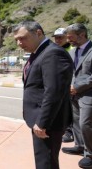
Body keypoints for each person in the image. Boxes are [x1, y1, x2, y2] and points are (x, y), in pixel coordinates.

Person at [13, 21, 73, 169]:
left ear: (38, 33)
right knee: (44, 160)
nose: (19, 43)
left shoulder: (53, 53)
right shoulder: (39, 52)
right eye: (17, 40)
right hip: (41, 119)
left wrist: (42, 122)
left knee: (46, 162)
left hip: (48, 122)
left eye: (23, 38)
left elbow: (54, 92)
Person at [61, 23, 92, 169]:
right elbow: (72, 72)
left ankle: (91, 156)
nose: (69, 41)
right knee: (76, 122)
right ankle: (80, 146)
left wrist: (77, 87)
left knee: (86, 125)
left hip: (91, 95)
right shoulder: (72, 52)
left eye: (71, 38)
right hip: (74, 95)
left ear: (82, 35)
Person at [52, 27, 74, 143]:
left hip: (69, 85)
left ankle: (70, 132)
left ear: (67, 37)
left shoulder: (72, 50)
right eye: (56, 37)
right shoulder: (54, 49)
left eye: (60, 37)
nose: (58, 40)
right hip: (58, 84)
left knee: (70, 109)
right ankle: (64, 129)